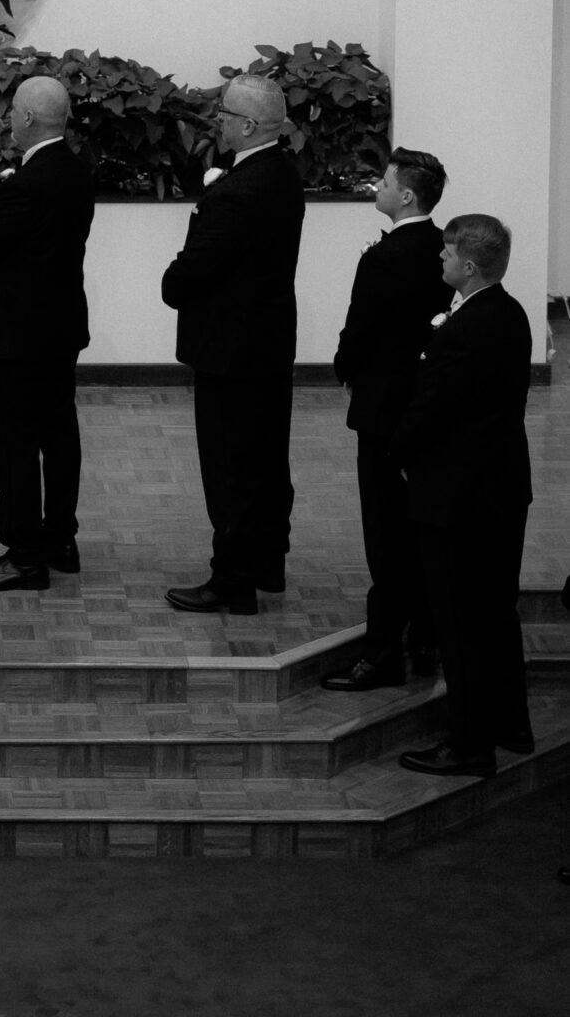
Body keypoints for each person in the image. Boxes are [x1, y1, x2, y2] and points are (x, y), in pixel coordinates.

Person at [160, 73, 305, 614]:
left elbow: (195, 266)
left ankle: (233, 580)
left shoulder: (238, 192)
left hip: (229, 350)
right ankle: (267, 563)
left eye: (223, 113)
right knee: (266, 461)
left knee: (229, 468)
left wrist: (170, 283)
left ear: (247, 125)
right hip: (267, 343)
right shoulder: (283, 176)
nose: (216, 120)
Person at [0, 75, 94, 594]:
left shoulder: (26, 185)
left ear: (29, 118)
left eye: (13, 111)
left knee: (15, 443)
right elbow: (36, 246)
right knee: (59, 434)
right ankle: (61, 538)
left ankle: (24, 554)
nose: (8, 118)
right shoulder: (75, 172)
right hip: (61, 327)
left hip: (18, 336)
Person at [397, 213, 534, 780]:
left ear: (470, 266)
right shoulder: (512, 313)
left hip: (458, 499)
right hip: (502, 488)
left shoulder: (460, 332)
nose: (441, 259)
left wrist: (399, 453)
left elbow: (432, 410)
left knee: (459, 625)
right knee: (496, 614)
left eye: (448, 254)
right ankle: (510, 724)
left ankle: (468, 745)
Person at [321, 148, 447, 694]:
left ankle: (381, 653)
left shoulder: (383, 258)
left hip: (381, 409)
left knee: (383, 532)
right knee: (418, 523)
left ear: (407, 195)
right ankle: (425, 633)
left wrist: (345, 368)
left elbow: (361, 326)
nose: (378, 185)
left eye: (386, 180)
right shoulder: (444, 249)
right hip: (425, 409)